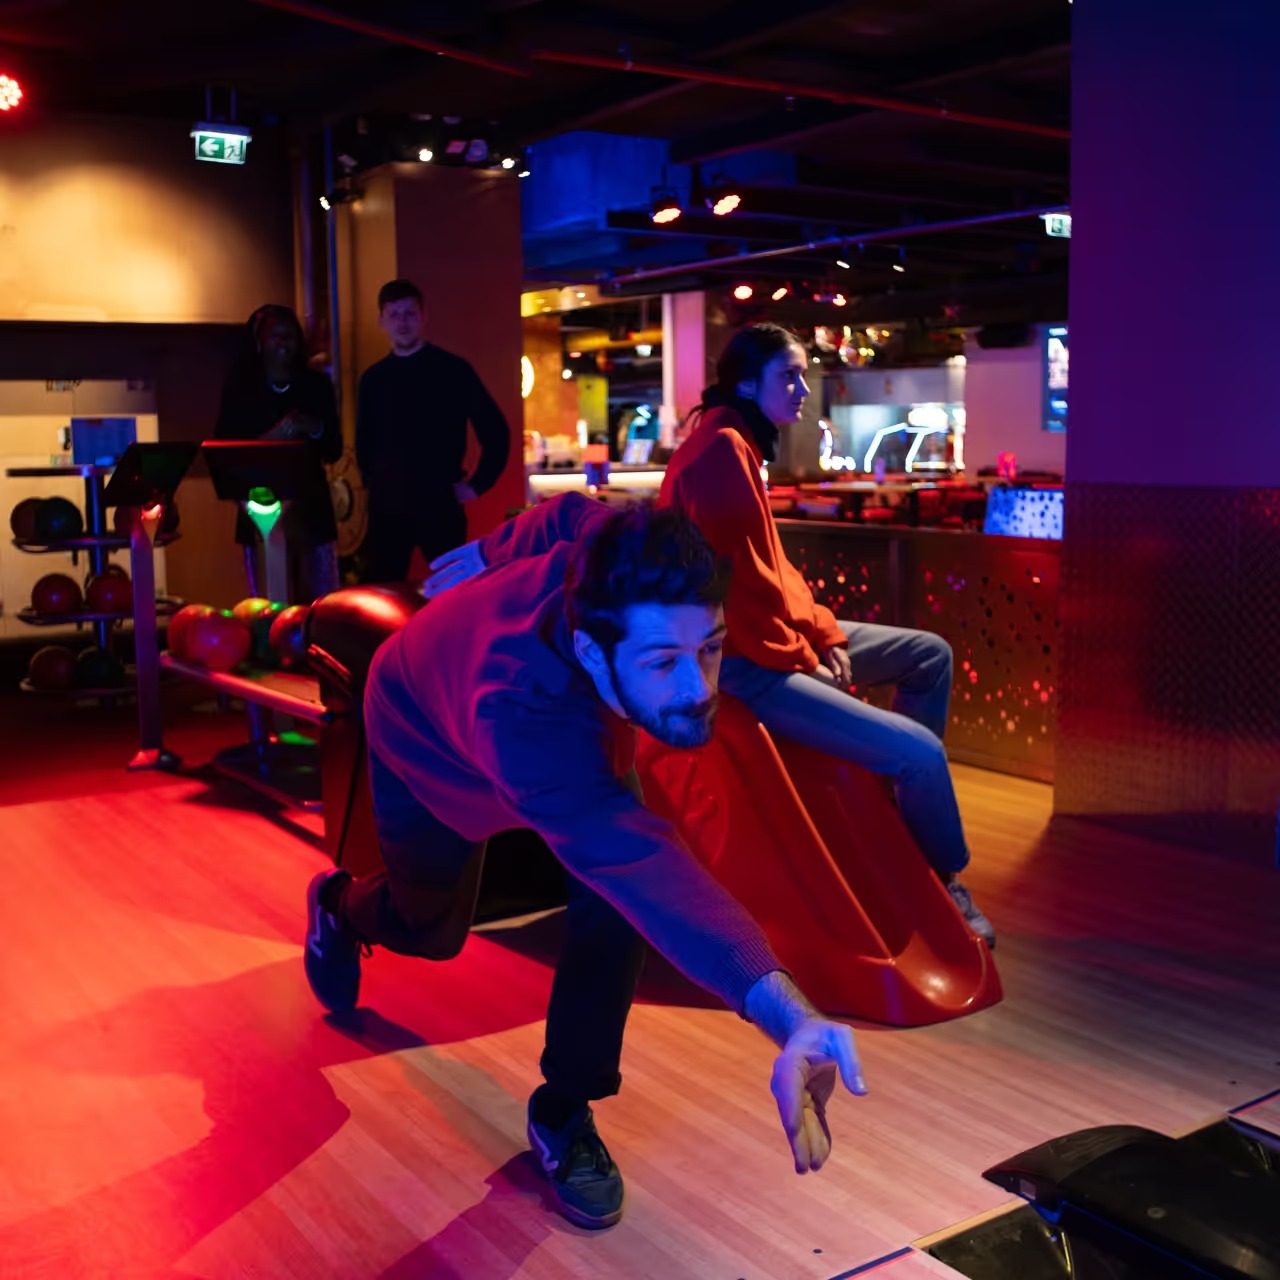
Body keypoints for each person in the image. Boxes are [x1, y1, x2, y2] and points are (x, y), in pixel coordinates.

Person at [304, 494, 866, 1230]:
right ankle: (339, 907)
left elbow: (570, 514)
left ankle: (563, 1109)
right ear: (596, 652)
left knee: (614, 911)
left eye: (710, 647)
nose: (699, 689)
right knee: (431, 928)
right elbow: (650, 866)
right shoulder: (527, 718)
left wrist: (496, 548)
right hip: (422, 726)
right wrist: (786, 1013)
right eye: (664, 661)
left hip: (544, 715)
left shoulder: (613, 554)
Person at [657, 322, 994, 946]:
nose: (803, 388)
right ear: (746, 384)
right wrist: (804, 654)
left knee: (930, 656)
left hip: (776, 642)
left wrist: (825, 634)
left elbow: (773, 573)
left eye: (802, 374)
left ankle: (897, 823)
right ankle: (941, 880)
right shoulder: (719, 454)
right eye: (789, 375)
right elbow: (730, 595)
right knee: (921, 755)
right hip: (746, 665)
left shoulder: (738, 444)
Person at [355, 279, 511, 583]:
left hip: (439, 501)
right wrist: (371, 481)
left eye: (409, 313)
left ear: (423, 316)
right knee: (383, 594)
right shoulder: (373, 380)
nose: (403, 322)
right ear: (382, 321)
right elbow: (364, 441)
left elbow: (496, 433)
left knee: (454, 591)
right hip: (387, 505)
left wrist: (478, 485)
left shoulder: (453, 371)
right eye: (394, 314)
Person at [214, 304, 343, 600]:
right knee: (269, 604)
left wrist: (312, 426)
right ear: (260, 342)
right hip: (259, 507)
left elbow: (334, 449)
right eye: (275, 336)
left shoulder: (316, 385)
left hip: (311, 510)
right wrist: (275, 435)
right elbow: (225, 449)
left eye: (290, 336)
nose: (283, 343)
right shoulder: (241, 388)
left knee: (321, 601)